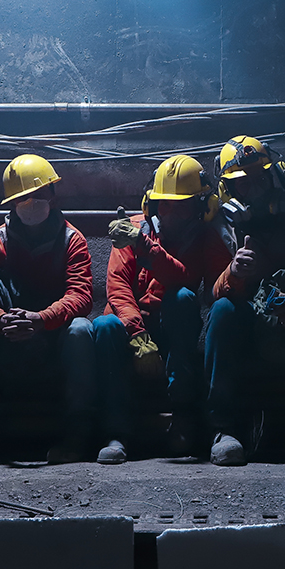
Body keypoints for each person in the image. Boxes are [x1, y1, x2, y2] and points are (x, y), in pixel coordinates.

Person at [204, 136, 285, 466]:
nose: (254, 189)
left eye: (259, 178)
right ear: (228, 191)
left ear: (278, 175)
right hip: (251, 321)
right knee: (222, 310)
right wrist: (234, 274)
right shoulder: (220, 227)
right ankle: (224, 431)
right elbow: (209, 294)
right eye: (242, 183)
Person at [0, 155, 96, 463]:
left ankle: (77, 435)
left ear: (53, 195)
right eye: (23, 197)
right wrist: (1, 320)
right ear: (11, 203)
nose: (31, 202)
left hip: (53, 336)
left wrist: (42, 320)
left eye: (39, 194)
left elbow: (81, 295)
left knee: (83, 329)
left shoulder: (72, 240)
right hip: (6, 336)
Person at [94, 155, 232, 463]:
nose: (171, 212)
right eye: (164, 203)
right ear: (151, 203)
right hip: (132, 325)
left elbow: (183, 278)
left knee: (182, 298)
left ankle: (182, 419)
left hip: (174, 326)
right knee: (103, 326)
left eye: (181, 204)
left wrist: (146, 248)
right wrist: (138, 336)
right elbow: (117, 287)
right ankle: (116, 433)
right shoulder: (132, 229)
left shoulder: (204, 238)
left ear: (202, 205)